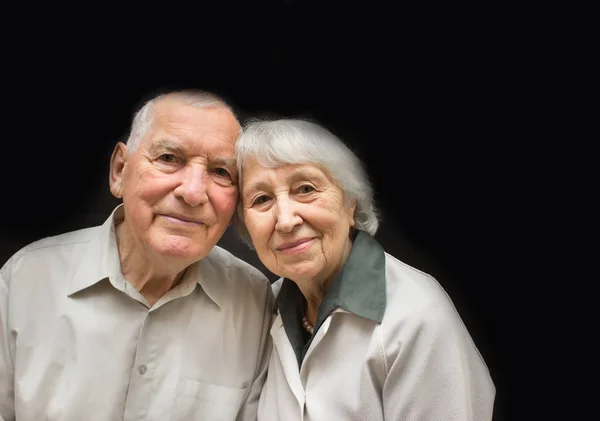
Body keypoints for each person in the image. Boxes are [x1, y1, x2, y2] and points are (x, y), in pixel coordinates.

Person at [0, 89, 275, 421]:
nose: (192, 192)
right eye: (169, 158)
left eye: (221, 172)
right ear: (119, 170)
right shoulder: (25, 278)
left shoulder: (254, 302)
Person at [233, 118, 496, 420]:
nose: (286, 220)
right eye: (262, 199)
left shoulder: (416, 318)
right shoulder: (264, 307)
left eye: (305, 188)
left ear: (350, 202)